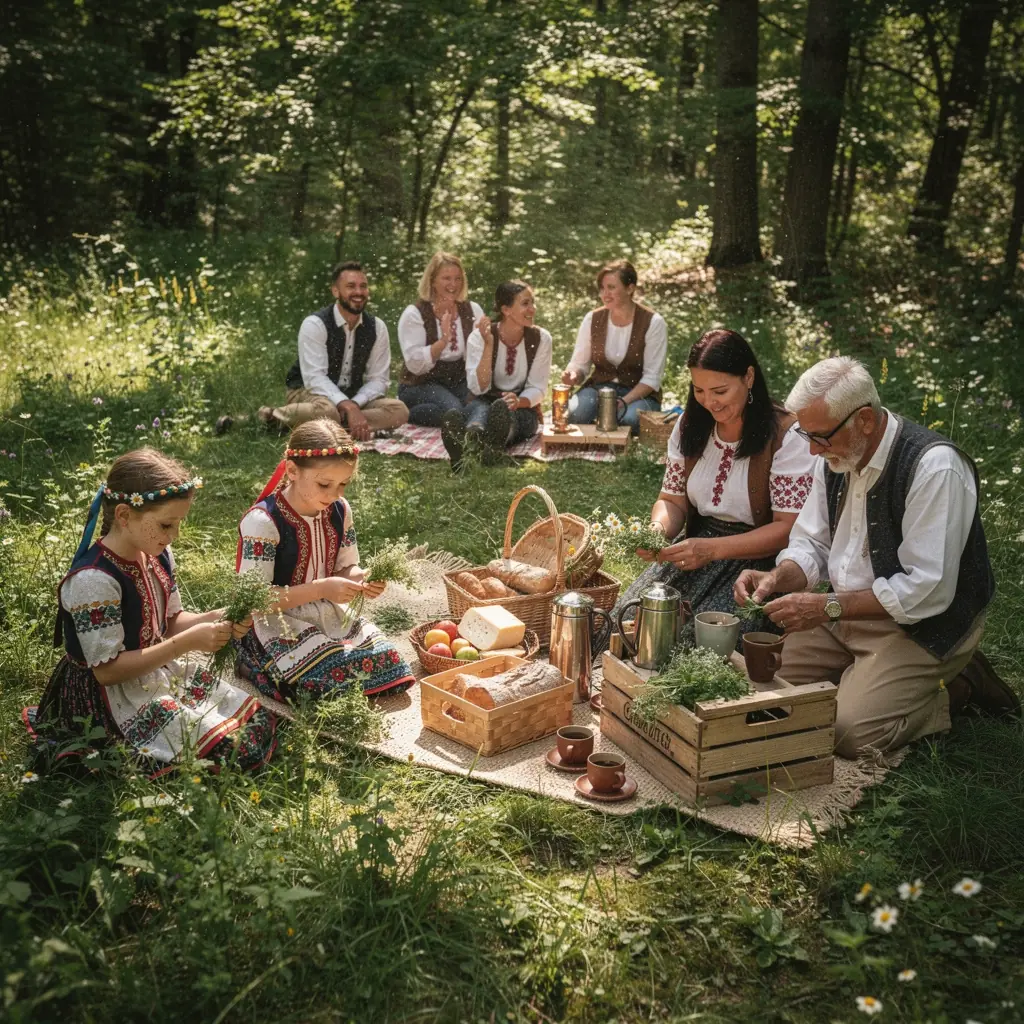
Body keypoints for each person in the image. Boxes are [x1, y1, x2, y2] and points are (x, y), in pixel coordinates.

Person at [735, 356, 1020, 760]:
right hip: (843, 615)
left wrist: (828, 606)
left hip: (922, 626)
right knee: (755, 683)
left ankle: (957, 687)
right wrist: (778, 576)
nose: (814, 450)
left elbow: (927, 590)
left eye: (821, 437)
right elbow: (812, 543)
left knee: (847, 733)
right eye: (807, 436)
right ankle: (865, 679)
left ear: (865, 420)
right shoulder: (834, 455)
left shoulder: (934, 467)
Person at [33, 448, 279, 771]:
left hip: (156, 671)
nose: (174, 535)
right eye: (166, 524)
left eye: (178, 523)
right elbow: (107, 672)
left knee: (257, 721)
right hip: (108, 699)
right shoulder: (94, 580)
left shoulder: (156, 553)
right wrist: (190, 643)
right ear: (124, 516)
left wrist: (215, 618)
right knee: (231, 750)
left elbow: (171, 621)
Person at [616, 329, 816, 640]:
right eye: (699, 390)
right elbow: (672, 500)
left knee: (698, 641)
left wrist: (713, 550)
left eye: (720, 391)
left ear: (748, 377)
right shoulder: (689, 425)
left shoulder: (786, 435)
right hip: (696, 548)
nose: (709, 402)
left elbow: (787, 528)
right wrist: (657, 531)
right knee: (628, 624)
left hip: (756, 563)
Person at [235, 418, 415, 701]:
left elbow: (346, 566)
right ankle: (251, 661)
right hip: (277, 621)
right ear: (292, 470)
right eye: (324, 484)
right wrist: (321, 589)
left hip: (329, 615)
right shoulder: (264, 522)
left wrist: (360, 579)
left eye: (343, 484)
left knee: (390, 663)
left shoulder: (339, 510)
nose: (335, 494)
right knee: (319, 681)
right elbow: (256, 599)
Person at [256, 261, 408, 441]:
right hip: (308, 392)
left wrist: (354, 404)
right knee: (328, 411)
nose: (358, 292)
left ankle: (334, 425)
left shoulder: (377, 327)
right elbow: (314, 378)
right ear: (336, 291)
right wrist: (347, 406)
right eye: (351, 286)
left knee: (400, 411)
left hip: (352, 395)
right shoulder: (315, 324)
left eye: (363, 286)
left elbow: (379, 379)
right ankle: (272, 417)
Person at [440, 280, 553, 470]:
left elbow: (538, 387)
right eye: (525, 304)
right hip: (484, 399)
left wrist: (519, 401)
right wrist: (489, 345)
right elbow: (477, 387)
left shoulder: (541, 338)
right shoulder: (479, 337)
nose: (532, 309)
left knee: (513, 419)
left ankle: (472, 444)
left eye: (532, 303)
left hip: (522, 406)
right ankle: (478, 440)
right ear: (506, 310)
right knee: (481, 412)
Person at [561, 259, 668, 433]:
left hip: (637, 392)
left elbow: (652, 378)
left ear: (630, 288)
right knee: (574, 415)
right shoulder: (592, 319)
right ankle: (601, 418)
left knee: (629, 420)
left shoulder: (653, 323)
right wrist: (572, 376)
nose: (605, 294)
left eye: (611, 287)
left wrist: (624, 401)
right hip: (599, 387)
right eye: (602, 288)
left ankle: (608, 418)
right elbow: (579, 365)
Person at [397, 252, 484, 428]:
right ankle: (406, 413)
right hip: (420, 384)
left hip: (457, 382)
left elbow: (478, 356)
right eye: (446, 278)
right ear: (432, 280)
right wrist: (444, 340)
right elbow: (415, 366)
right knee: (454, 411)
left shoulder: (472, 310)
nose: (453, 284)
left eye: (458, 279)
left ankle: (463, 417)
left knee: (482, 402)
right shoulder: (414, 314)